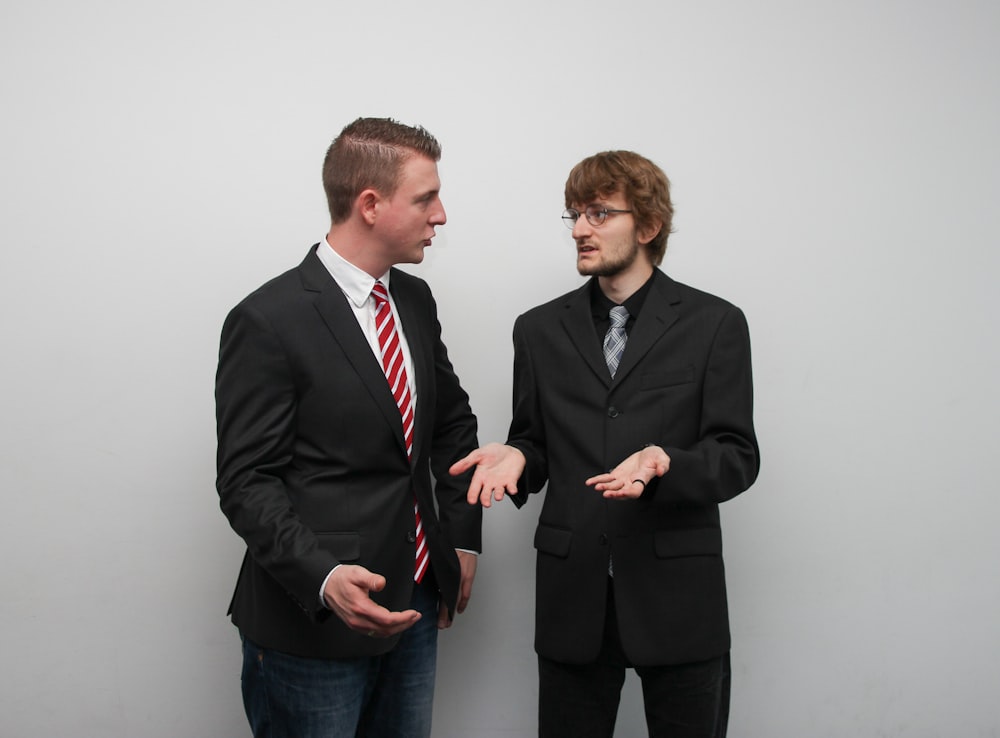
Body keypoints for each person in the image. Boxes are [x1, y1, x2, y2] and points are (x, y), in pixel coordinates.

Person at [451, 150, 759, 738]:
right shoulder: (537, 330)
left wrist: (665, 461)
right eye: (573, 214)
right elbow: (535, 443)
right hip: (575, 593)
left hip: (678, 594)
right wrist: (518, 455)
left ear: (647, 226)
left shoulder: (715, 324)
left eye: (598, 212)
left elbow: (737, 455)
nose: (580, 229)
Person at [215, 117, 481, 738]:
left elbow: (451, 428)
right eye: (425, 198)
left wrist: (461, 540)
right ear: (369, 204)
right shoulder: (267, 319)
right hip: (312, 622)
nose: (440, 214)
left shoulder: (414, 300)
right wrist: (326, 577)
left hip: (414, 601)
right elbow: (247, 482)